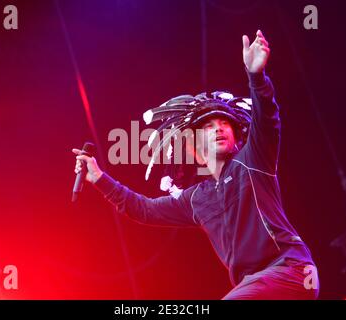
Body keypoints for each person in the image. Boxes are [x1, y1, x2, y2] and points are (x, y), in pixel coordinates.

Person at [73, 30, 319, 300]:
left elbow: (268, 120)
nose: (219, 129)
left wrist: (256, 77)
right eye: (209, 126)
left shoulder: (252, 162)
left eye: (225, 124)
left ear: (237, 137)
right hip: (252, 287)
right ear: (194, 149)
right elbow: (143, 209)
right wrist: (99, 178)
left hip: (290, 271)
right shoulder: (196, 199)